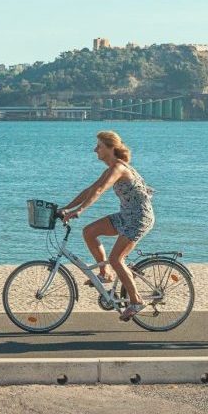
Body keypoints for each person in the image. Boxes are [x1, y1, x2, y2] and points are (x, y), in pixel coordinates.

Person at [58, 130, 154, 321]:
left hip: (139, 218)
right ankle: (106, 274)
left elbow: (100, 191)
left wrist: (80, 211)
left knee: (116, 258)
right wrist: (66, 208)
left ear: (110, 148)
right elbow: (90, 189)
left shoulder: (119, 168)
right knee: (89, 231)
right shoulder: (111, 168)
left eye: (99, 146)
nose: (95, 150)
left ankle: (136, 301)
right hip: (126, 216)